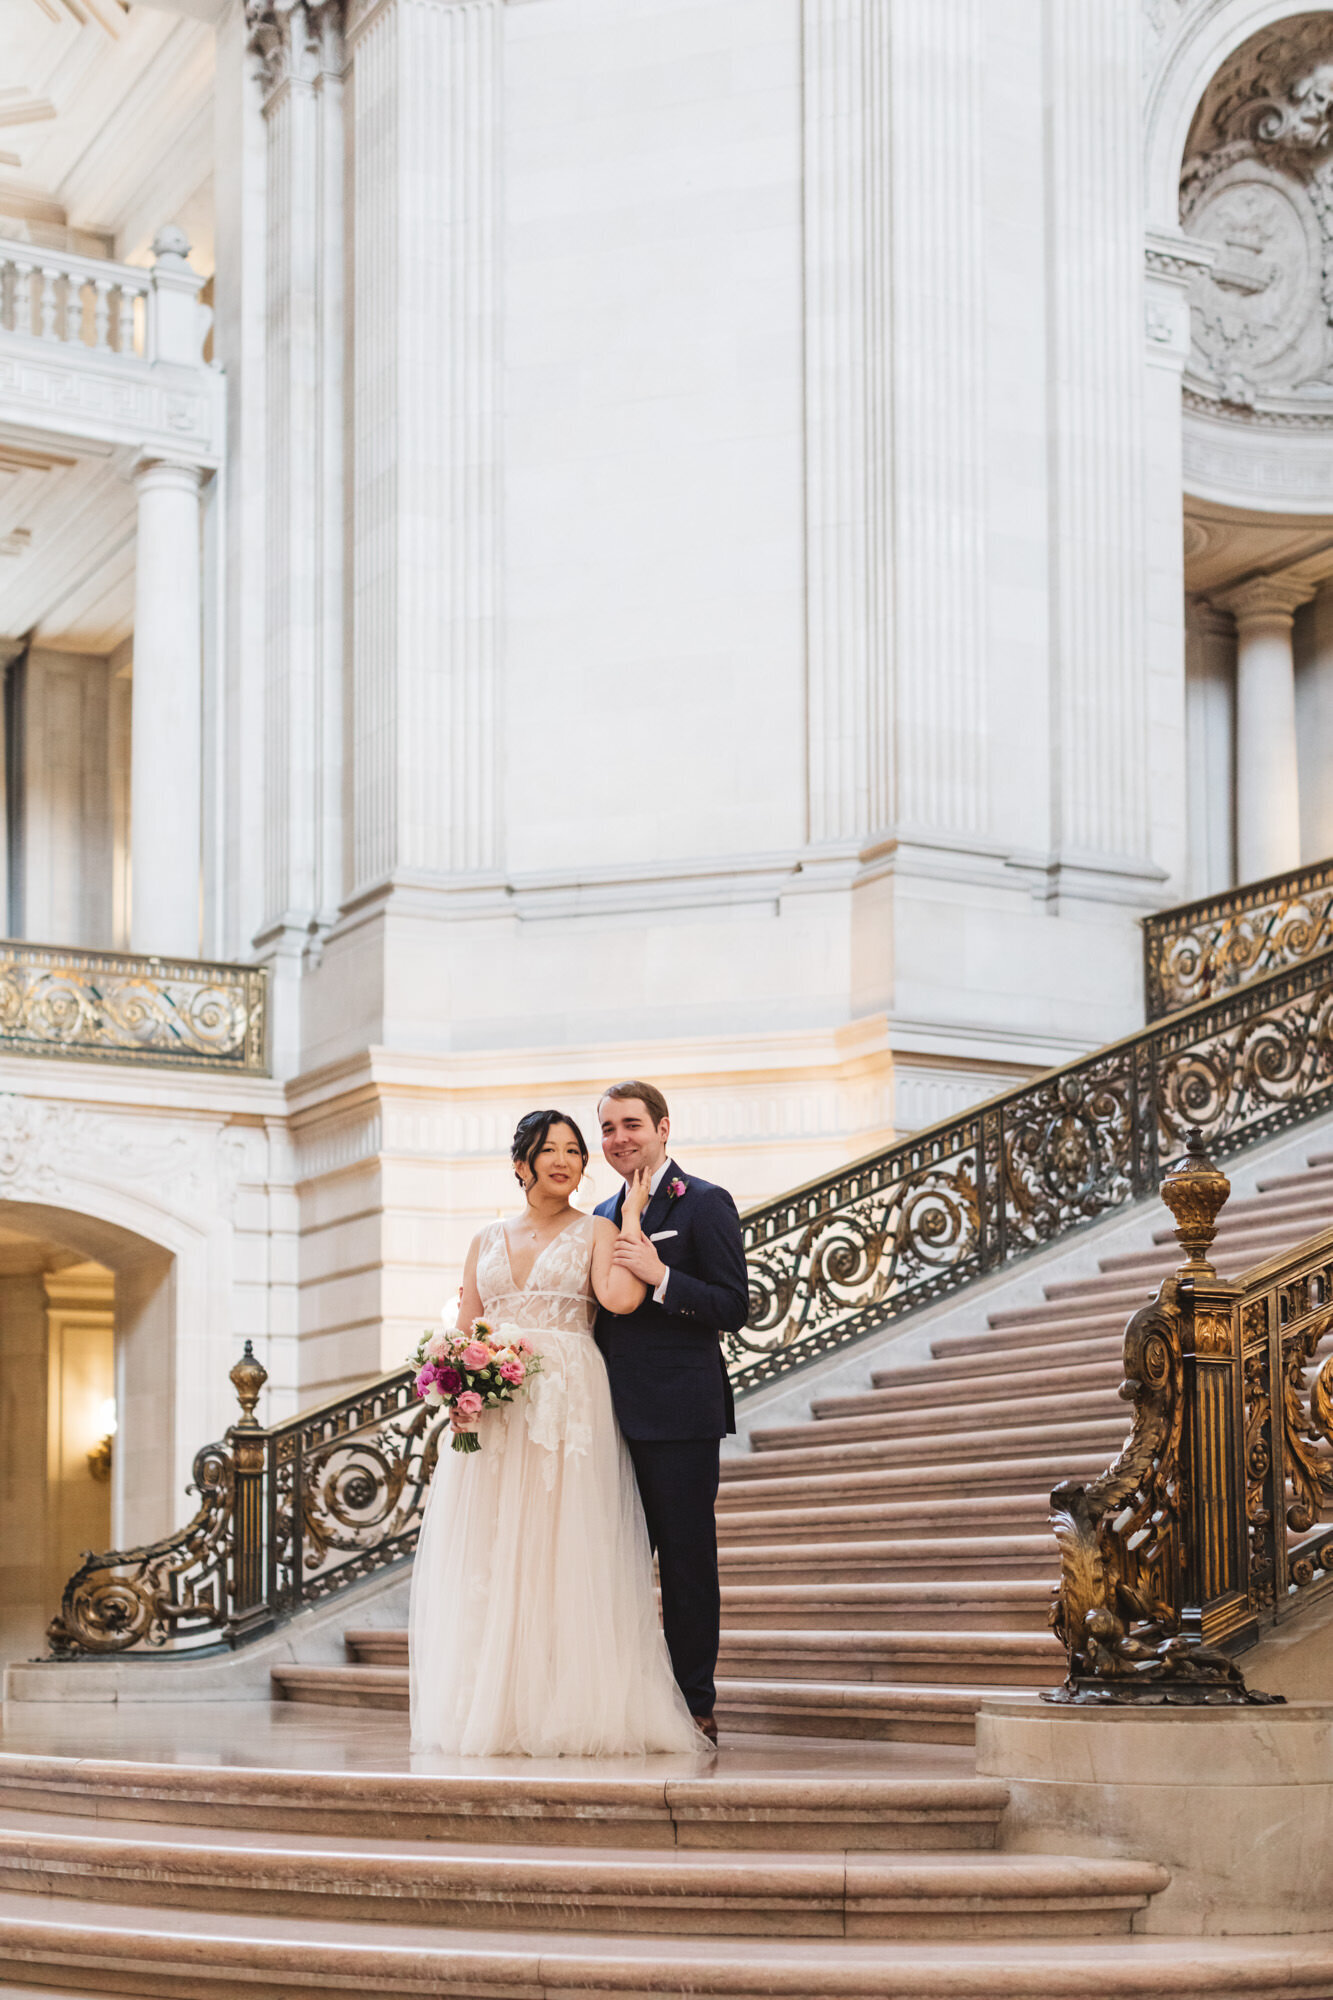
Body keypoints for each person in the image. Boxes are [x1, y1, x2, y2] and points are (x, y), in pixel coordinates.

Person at [409, 1108, 704, 1758]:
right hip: (496, 1409)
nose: (566, 1159)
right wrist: (454, 1383)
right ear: (522, 1163)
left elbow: (622, 1301)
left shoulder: (596, 1227)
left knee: (562, 1545)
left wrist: (630, 1218)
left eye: (575, 1149)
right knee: (495, 1548)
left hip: (568, 1397)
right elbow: (466, 1324)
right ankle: (498, 1703)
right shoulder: (484, 1238)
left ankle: (566, 1705)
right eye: (551, 1150)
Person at [594, 1080, 750, 1746]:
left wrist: (660, 1276)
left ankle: (694, 1702)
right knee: (613, 1563)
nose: (619, 1138)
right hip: (603, 1414)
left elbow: (733, 1306)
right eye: (606, 1128)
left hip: (679, 1413)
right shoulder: (598, 1212)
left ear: (662, 1128)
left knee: (685, 1563)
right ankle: (625, 1697)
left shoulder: (704, 1202)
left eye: (630, 1123)